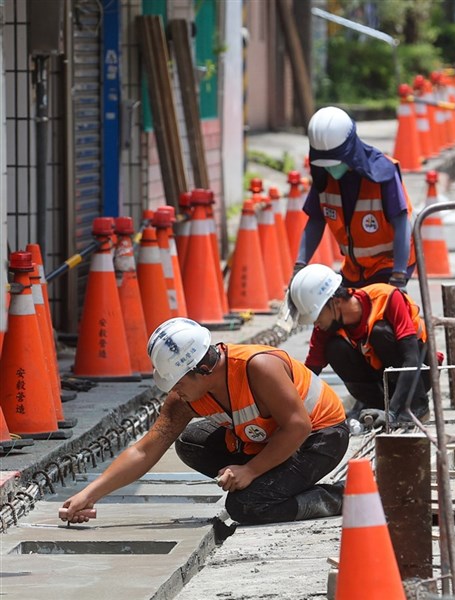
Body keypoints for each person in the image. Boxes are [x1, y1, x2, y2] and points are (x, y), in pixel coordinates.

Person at [60, 318, 349, 525]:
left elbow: (298, 426)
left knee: (246, 506)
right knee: (191, 443)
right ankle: (277, 482)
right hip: (271, 439)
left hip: (321, 438)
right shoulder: (186, 397)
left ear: (203, 368)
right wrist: (90, 494)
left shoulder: (258, 367)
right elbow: (145, 450)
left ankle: (335, 498)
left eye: (177, 381)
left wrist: (250, 470)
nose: (174, 390)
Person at [289, 264, 431, 429]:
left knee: (379, 332)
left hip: (419, 371)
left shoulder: (387, 297)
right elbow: (311, 371)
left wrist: (392, 412)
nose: (316, 323)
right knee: (335, 349)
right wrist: (288, 408)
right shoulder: (326, 325)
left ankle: (416, 406)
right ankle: (375, 407)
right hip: (383, 380)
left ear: (336, 301)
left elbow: (411, 358)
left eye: (317, 315)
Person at [293, 106, 416, 289]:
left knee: (376, 314)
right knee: (335, 314)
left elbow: (401, 224)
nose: (331, 169)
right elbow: (316, 221)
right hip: (354, 267)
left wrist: (398, 276)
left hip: (389, 264)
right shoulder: (323, 174)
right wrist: (299, 266)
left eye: (335, 162)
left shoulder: (383, 172)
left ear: (349, 151)